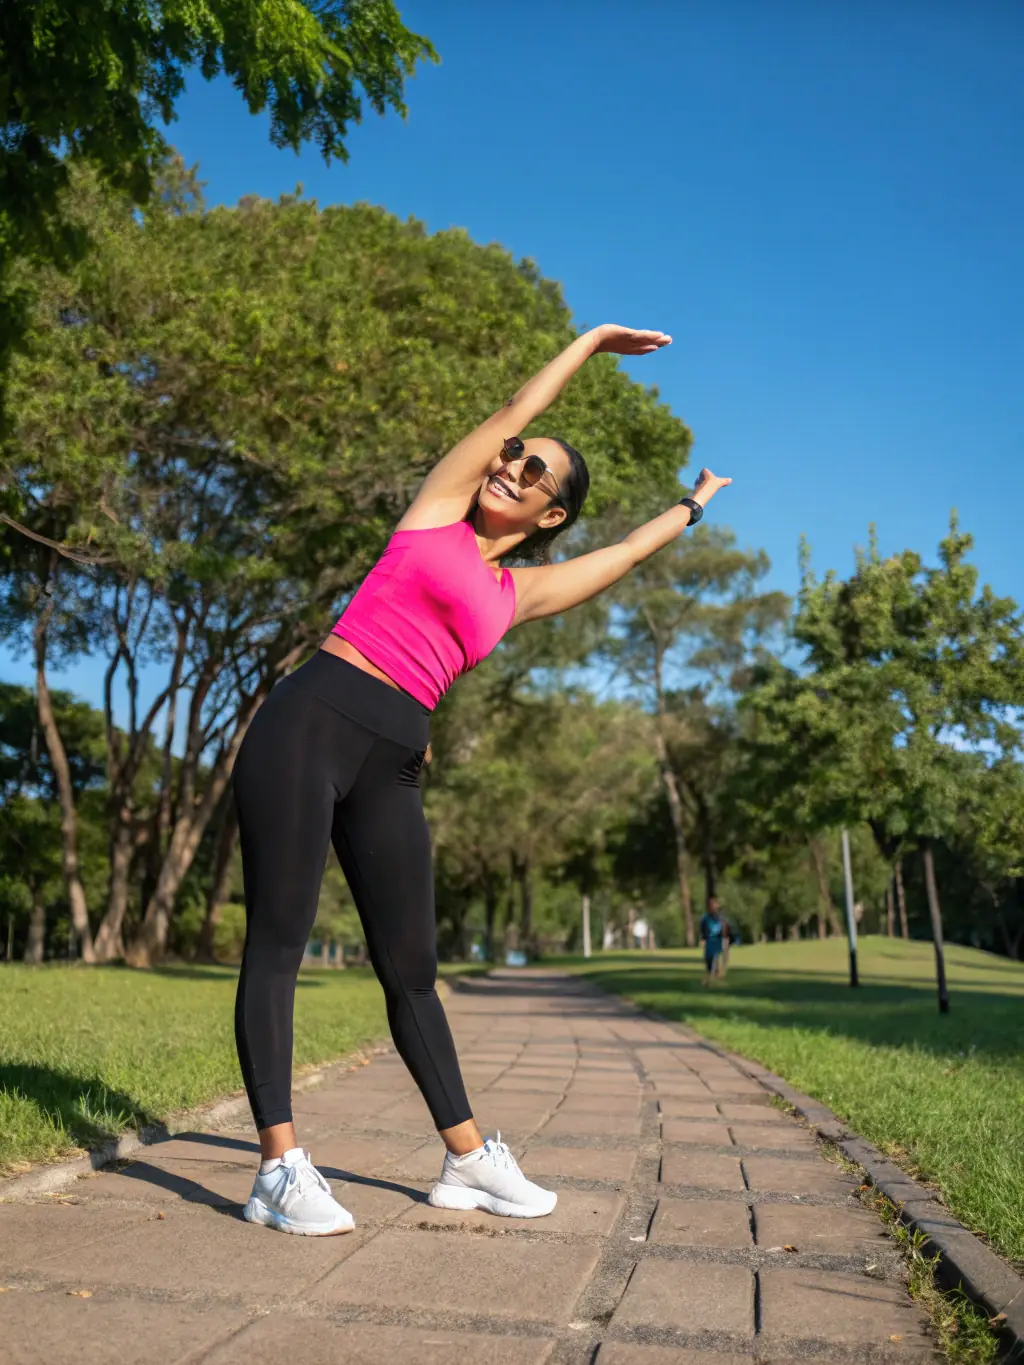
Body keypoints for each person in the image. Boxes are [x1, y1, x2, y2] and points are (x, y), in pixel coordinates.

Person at [231, 323, 732, 1236]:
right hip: (310, 721)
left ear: (550, 517)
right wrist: (588, 346)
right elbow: (514, 409)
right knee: (281, 940)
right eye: (514, 458)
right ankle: (277, 1167)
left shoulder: (518, 592)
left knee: (413, 966)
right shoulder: (436, 508)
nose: (512, 466)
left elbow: (617, 561)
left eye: (535, 474)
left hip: (396, 757)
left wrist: (691, 507)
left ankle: (466, 1160)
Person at [700, 898, 726, 983]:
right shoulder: (705, 918)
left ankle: (714, 978)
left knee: (716, 958)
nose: (713, 907)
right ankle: (711, 976)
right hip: (709, 941)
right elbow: (703, 929)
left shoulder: (719, 917)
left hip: (717, 941)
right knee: (709, 960)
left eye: (715, 905)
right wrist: (703, 939)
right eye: (711, 905)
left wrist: (724, 935)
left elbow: (724, 928)